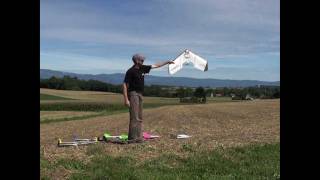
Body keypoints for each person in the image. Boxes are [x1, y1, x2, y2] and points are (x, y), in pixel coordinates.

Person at [123, 53, 174, 143]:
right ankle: (132, 138)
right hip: (133, 94)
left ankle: (138, 137)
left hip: (140, 94)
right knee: (134, 117)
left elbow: (156, 65)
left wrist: (167, 62)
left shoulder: (143, 68)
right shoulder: (130, 71)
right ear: (137, 61)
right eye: (142, 60)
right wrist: (126, 99)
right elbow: (124, 85)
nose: (143, 61)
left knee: (139, 117)